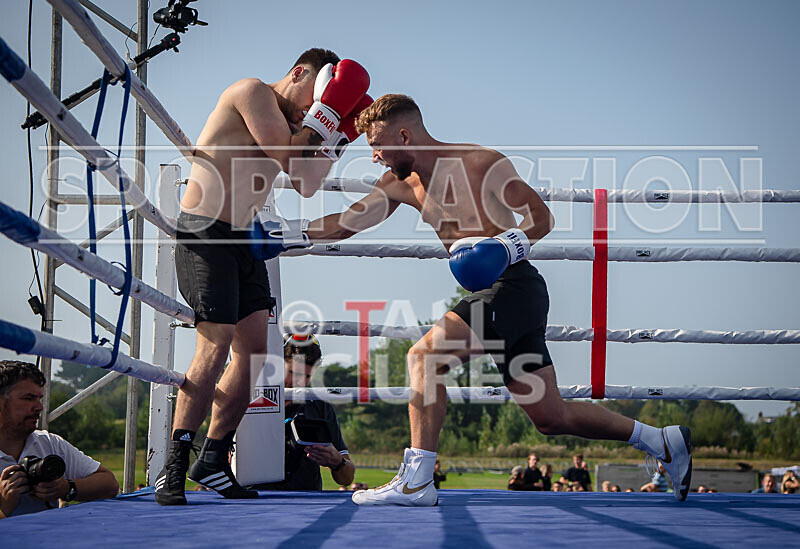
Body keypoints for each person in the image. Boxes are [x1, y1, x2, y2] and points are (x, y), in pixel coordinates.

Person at [301, 94, 692, 506]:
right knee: (550, 417)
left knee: (424, 358)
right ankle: (661, 440)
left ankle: (417, 481)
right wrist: (289, 233)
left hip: (514, 285)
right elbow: (346, 225)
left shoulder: (479, 163)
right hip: (499, 297)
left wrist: (504, 247)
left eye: (378, 144)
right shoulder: (398, 184)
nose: (375, 155)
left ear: (404, 133)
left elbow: (541, 217)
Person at [155, 49, 372, 506]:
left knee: (255, 357)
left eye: (320, 106)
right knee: (214, 347)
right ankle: (173, 464)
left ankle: (212, 460)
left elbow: (306, 182)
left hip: (246, 241)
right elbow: (286, 154)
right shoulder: (252, 92)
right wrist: (327, 117)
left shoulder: (298, 127)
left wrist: (339, 135)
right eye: (310, 101)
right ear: (297, 73)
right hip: (206, 231)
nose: (306, 113)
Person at [0, 361, 119, 518]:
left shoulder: (49, 442)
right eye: (28, 398)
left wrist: (66, 488)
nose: (39, 407)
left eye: (39, 398)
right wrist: (5, 507)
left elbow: (109, 484)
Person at [252, 334, 355, 491]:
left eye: (307, 376)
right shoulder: (250, 400)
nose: (299, 382)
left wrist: (337, 462)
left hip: (306, 502)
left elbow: (346, 479)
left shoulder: (320, 405)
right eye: (293, 373)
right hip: (253, 498)